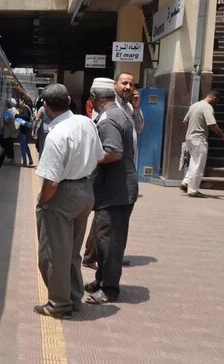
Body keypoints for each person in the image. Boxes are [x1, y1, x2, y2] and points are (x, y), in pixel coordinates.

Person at [34, 83, 104, 319]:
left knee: (53, 254)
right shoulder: (86, 123)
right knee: (72, 252)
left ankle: (58, 304)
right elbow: (99, 156)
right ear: (69, 101)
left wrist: (43, 202)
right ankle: (73, 298)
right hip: (85, 191)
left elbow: (52, 182)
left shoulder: (56, 135)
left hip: (62, 196)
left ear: (45, 106)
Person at [83, 78, 138, 304]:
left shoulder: (107, 119)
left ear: (94, 97)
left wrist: (88, 159)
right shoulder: (119, 113)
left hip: (115, 190)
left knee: (110, 242)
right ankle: (101, 280)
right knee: (104, 238)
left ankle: (109, 289)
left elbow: (113, 152)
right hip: (118, 187)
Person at [180, 90, 224, 198]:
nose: (215, 104)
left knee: (194, 162)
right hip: (199, 139)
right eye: (216, 102)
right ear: (214, 98)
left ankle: (186, 182)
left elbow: (184, 121)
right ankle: (193, 191)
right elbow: (212, 125)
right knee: (198, 165)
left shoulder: (194, 105)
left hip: (190, 138)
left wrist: (188, 134)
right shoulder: (207, 107)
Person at [0, 98, 19, 164]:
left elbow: (7, 121)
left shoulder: (9, 111)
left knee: (8, 145)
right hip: (13, 131)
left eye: (8, 103)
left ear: (10, 104)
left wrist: (4, 116)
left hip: (9, 132)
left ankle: (12, 160)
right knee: (9, 144)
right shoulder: (16, 110)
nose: (7, 104)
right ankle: (10, 158)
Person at [16, 97, 34, 166]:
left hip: (23, 129)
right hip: (27, 129)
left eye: (20, 101)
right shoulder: (29, 108)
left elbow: (25, 116)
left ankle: (24, 162)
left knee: (23, 146)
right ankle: (30, 159)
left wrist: (18, 115)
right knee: (26, 145)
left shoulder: (25, 108)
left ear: (23, 101)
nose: (19, 102)